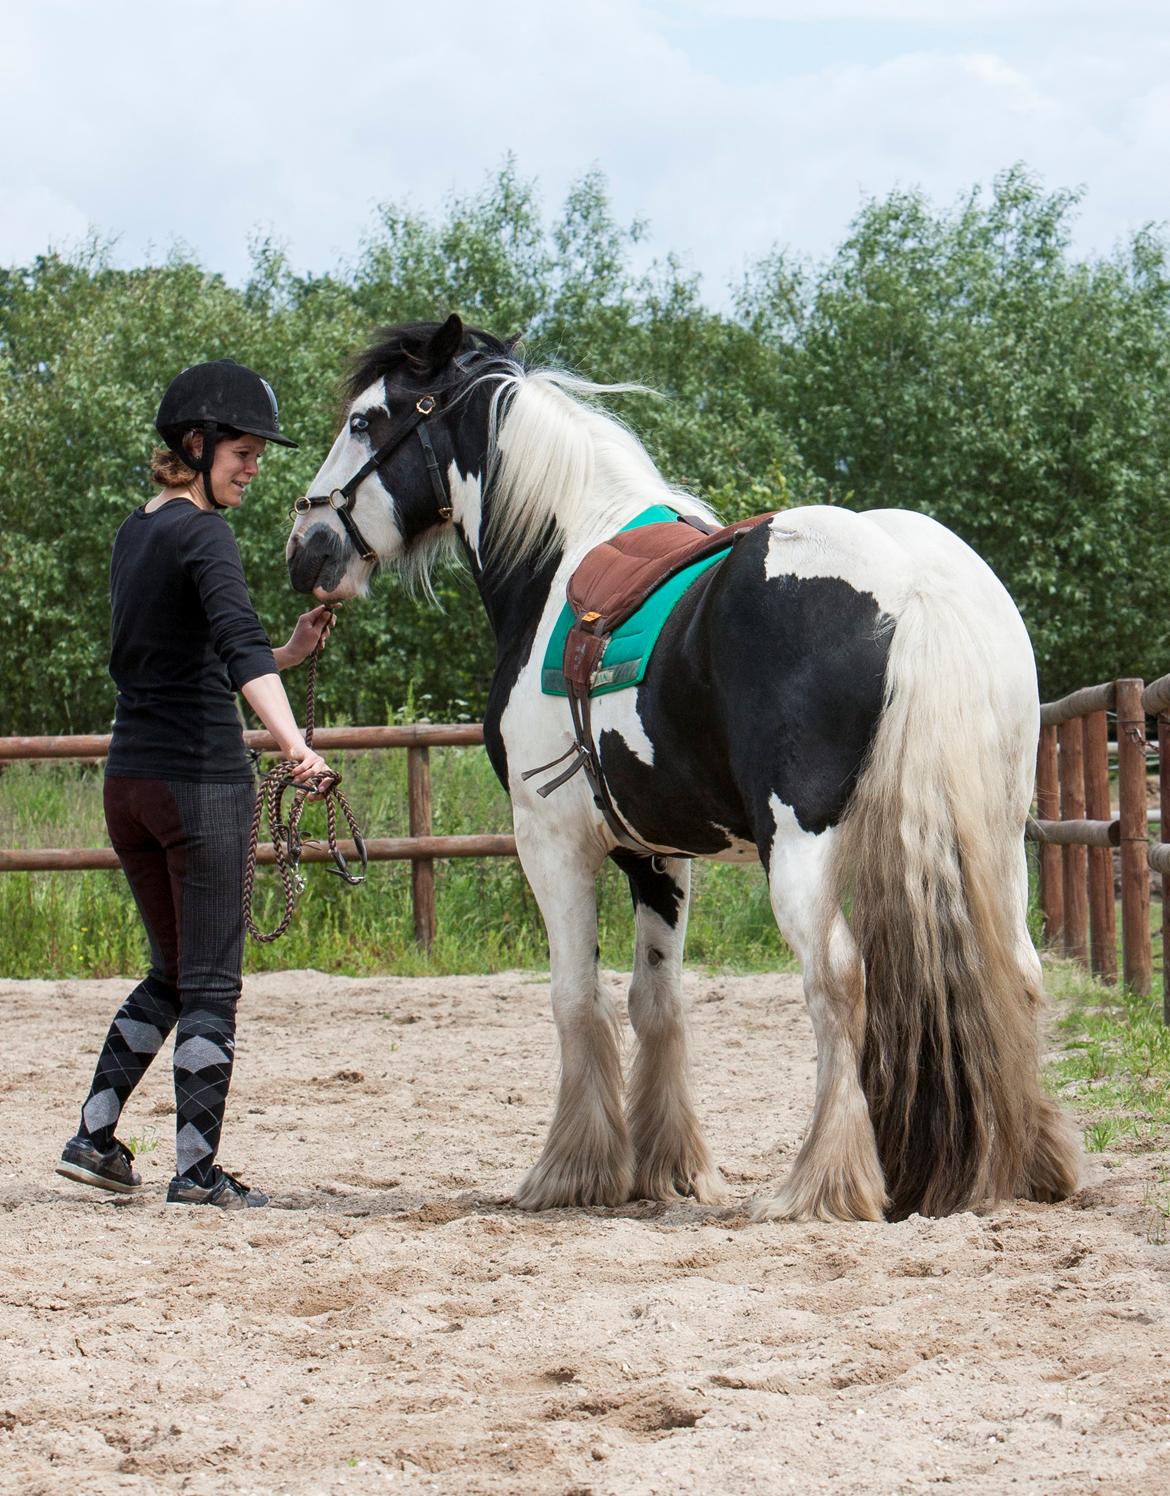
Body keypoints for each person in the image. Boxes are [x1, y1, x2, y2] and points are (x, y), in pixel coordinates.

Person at [56, 359, 333, 1210]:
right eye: (243, 452)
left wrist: (285, 655)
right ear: (197, 445)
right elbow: (236, 655)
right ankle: (197, 1171)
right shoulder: (204, 536)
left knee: (173, 972)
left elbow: (188, 654)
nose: (254, 467)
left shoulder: (136, 533)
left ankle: (95, 1138)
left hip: (129, 781)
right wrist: (295, 747)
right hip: (198, 783)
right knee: (211, 983)